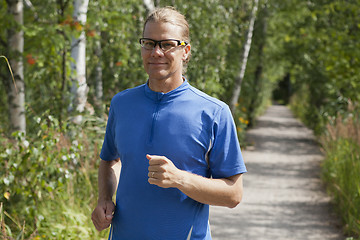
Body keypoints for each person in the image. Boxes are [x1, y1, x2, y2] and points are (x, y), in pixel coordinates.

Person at [91, 6, 247, 240]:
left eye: (166, 44)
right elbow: (110, 160)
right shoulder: (122, 104)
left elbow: (233, 194)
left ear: (185, 51)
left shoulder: (214, 112)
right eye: (148, 43)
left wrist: (179, 179)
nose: (156, 52)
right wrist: (104, 198)